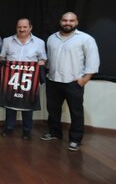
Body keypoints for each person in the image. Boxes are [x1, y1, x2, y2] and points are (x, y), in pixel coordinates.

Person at [41, 12, 100, 151]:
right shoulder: (52, 38)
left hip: (73, 83)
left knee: (76, 112)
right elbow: (49, 60)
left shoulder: (86, 39)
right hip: (53, 81)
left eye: (71, 21)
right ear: (60, 21)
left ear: (76, 22)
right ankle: (55, 132)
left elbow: (93, 61)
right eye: (65, 20)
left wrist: (84, 80)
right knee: (53, 110)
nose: (68, 23)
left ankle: (75, 139)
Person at [0, 18, 47, 140]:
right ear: (16, 27)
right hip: (12, 78)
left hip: (29, 79)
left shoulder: (39, 42)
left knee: (28, 105)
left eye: (25, 27)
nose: (22, 29)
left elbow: (43, 59)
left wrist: (40, 64)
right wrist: (3, 64)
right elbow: (2, 57)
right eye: (19, 27)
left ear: (30, 28)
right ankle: (9, 128)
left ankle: (27, 130)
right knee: (10, 104)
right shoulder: (7, 41)